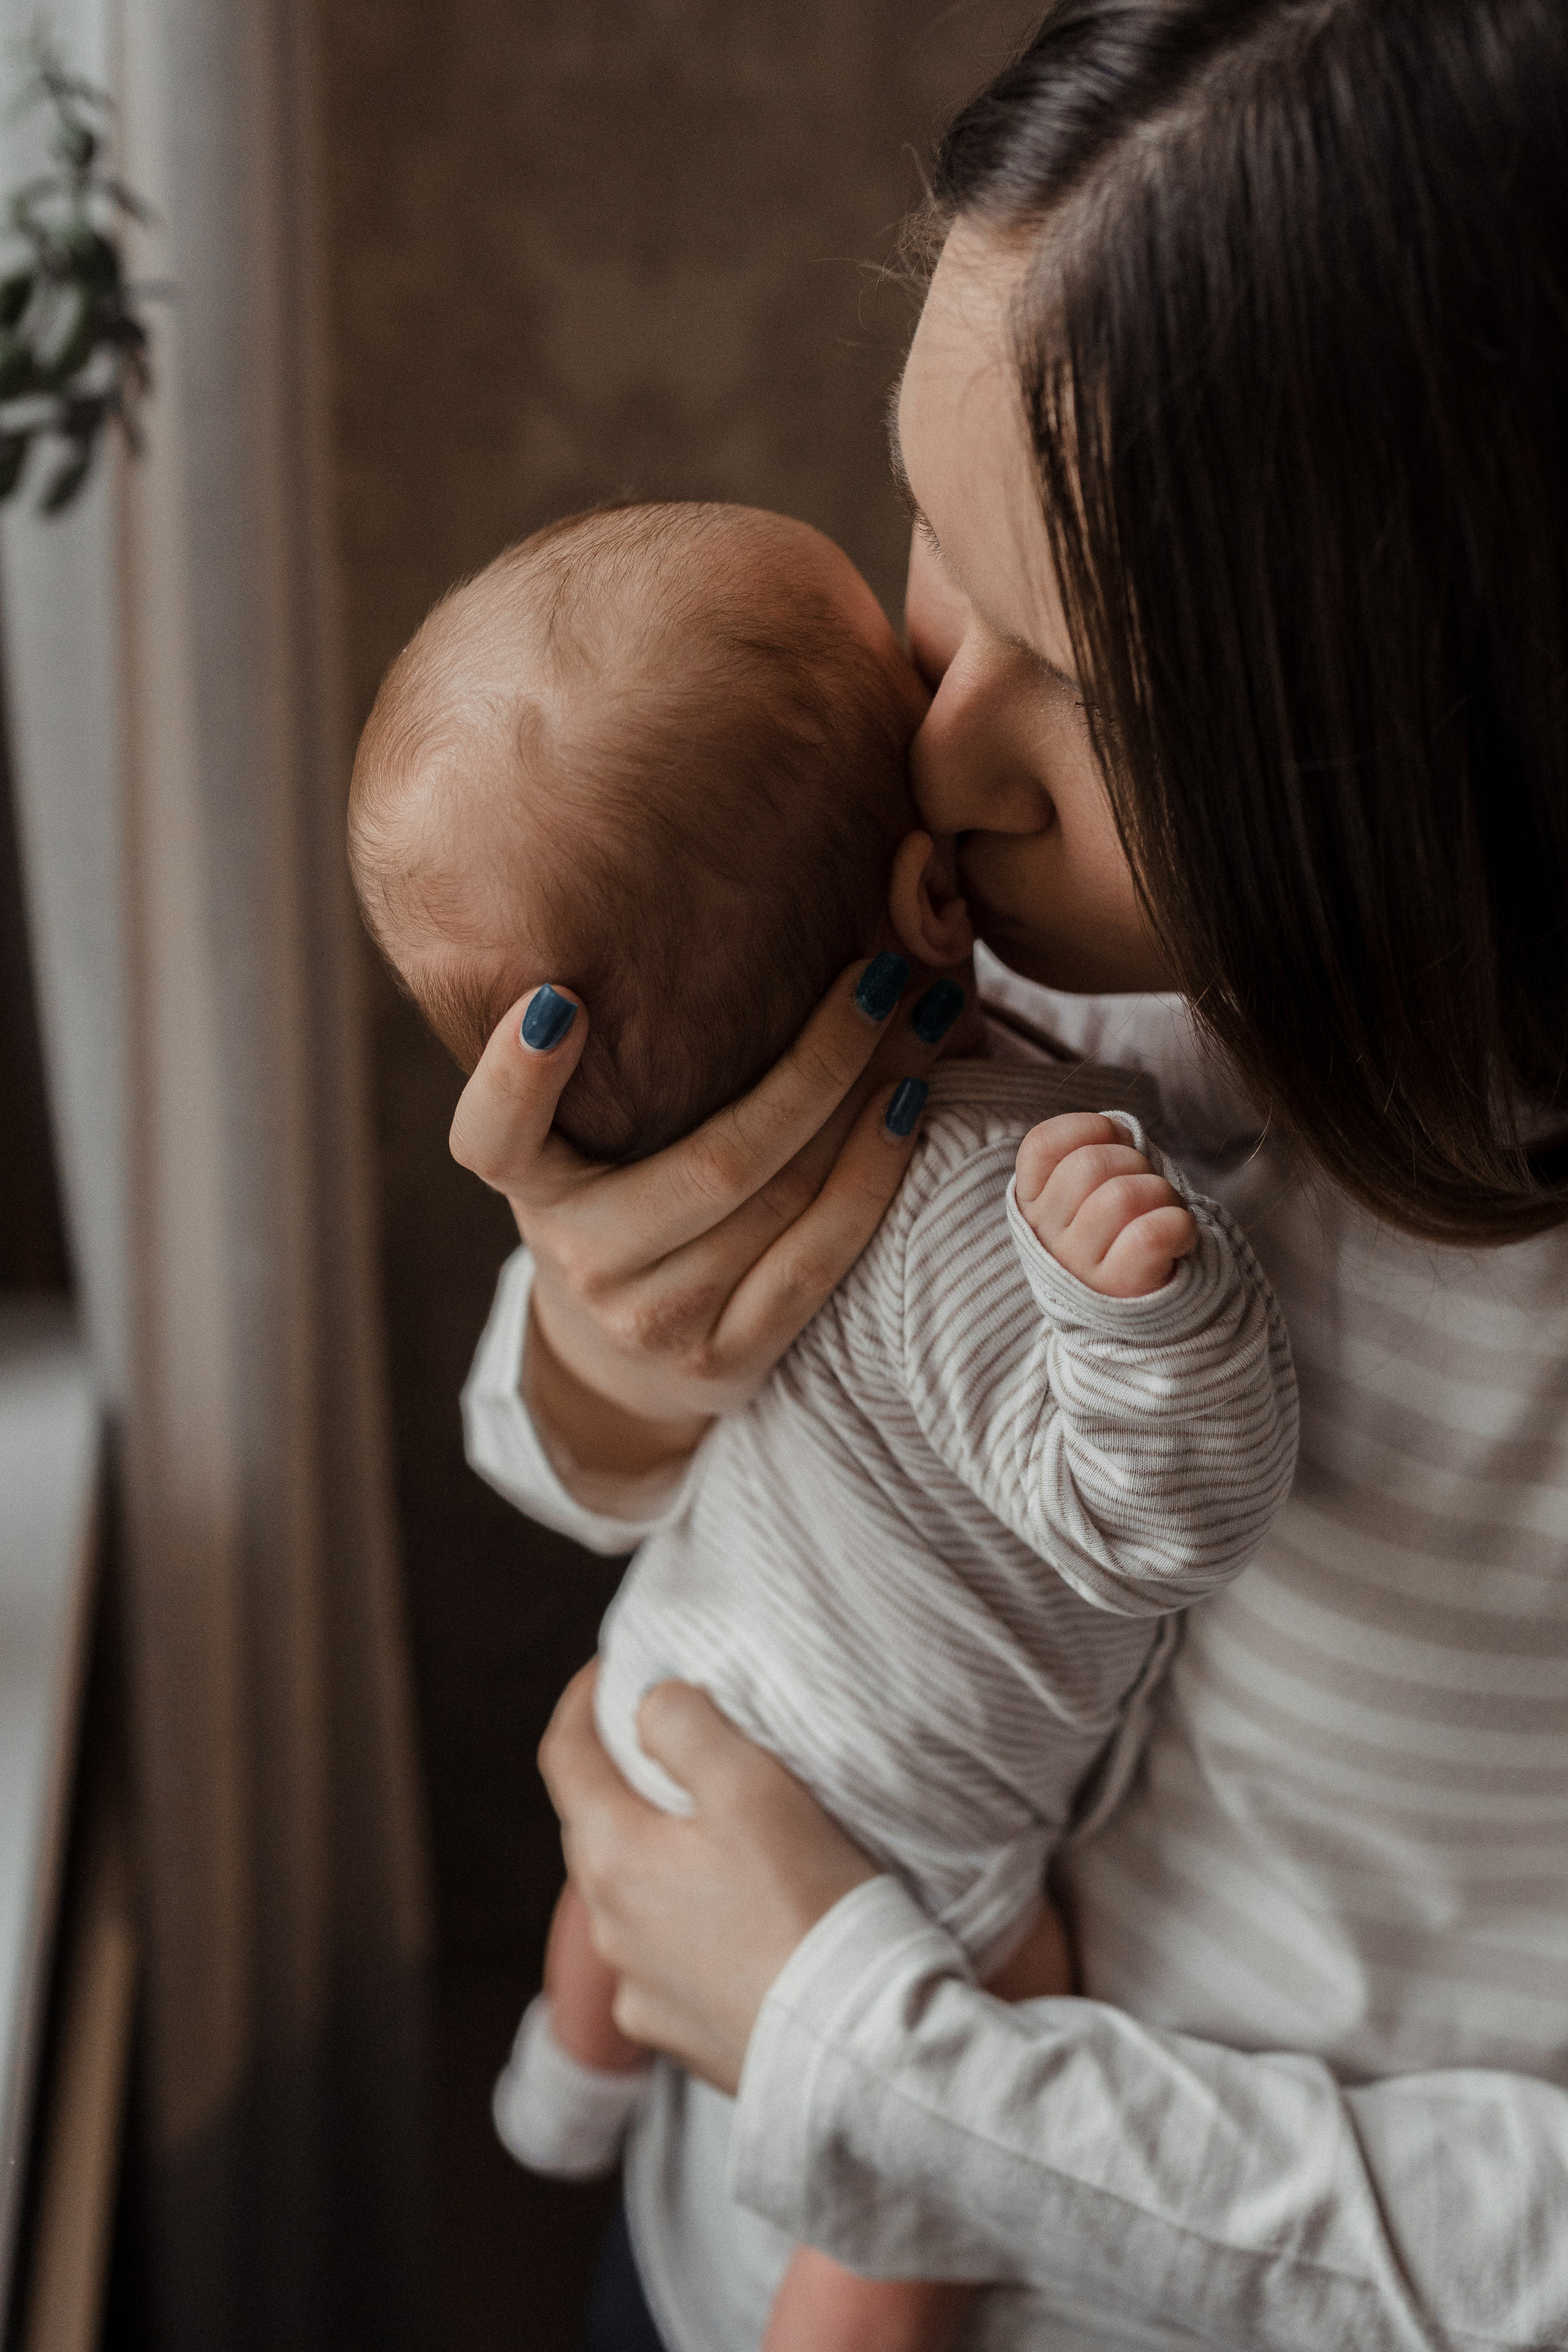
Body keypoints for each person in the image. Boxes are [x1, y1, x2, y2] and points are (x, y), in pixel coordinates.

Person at [447, 3, 1568, 2346]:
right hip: (692, 2223)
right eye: (938, 548)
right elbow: (586, 1465)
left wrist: (881, 2062)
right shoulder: (986, 924)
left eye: (1093, 677)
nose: (937, 753)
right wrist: (612, 1329)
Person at [347, 500, 1297, 2352]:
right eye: (931, 548)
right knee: (933, 2132)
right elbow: (1170, 1511)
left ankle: (563, 2080)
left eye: (1071, 647)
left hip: (665, 1704)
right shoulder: (993, 1181)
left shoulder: (751, 1046)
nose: (946, 745)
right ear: (926, 900)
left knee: (626, 1883)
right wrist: (1149, 1316)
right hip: (901, 1860)